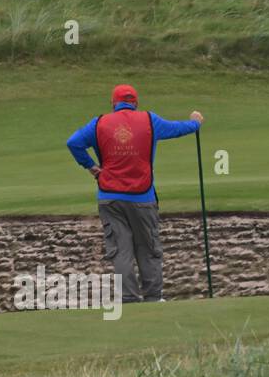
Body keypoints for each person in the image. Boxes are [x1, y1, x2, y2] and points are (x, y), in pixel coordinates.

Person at [66, 84, 203, 303]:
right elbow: (178, 128)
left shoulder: (99, 123)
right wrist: (195, 122)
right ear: (136, 103)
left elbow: (73, 143)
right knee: (148, 249)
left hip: (109, 197)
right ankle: (153, 297)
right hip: (143, 197)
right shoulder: (150, 120)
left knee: (121, 251)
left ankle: (129, 298)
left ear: (113, 104)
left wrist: (91, 167)